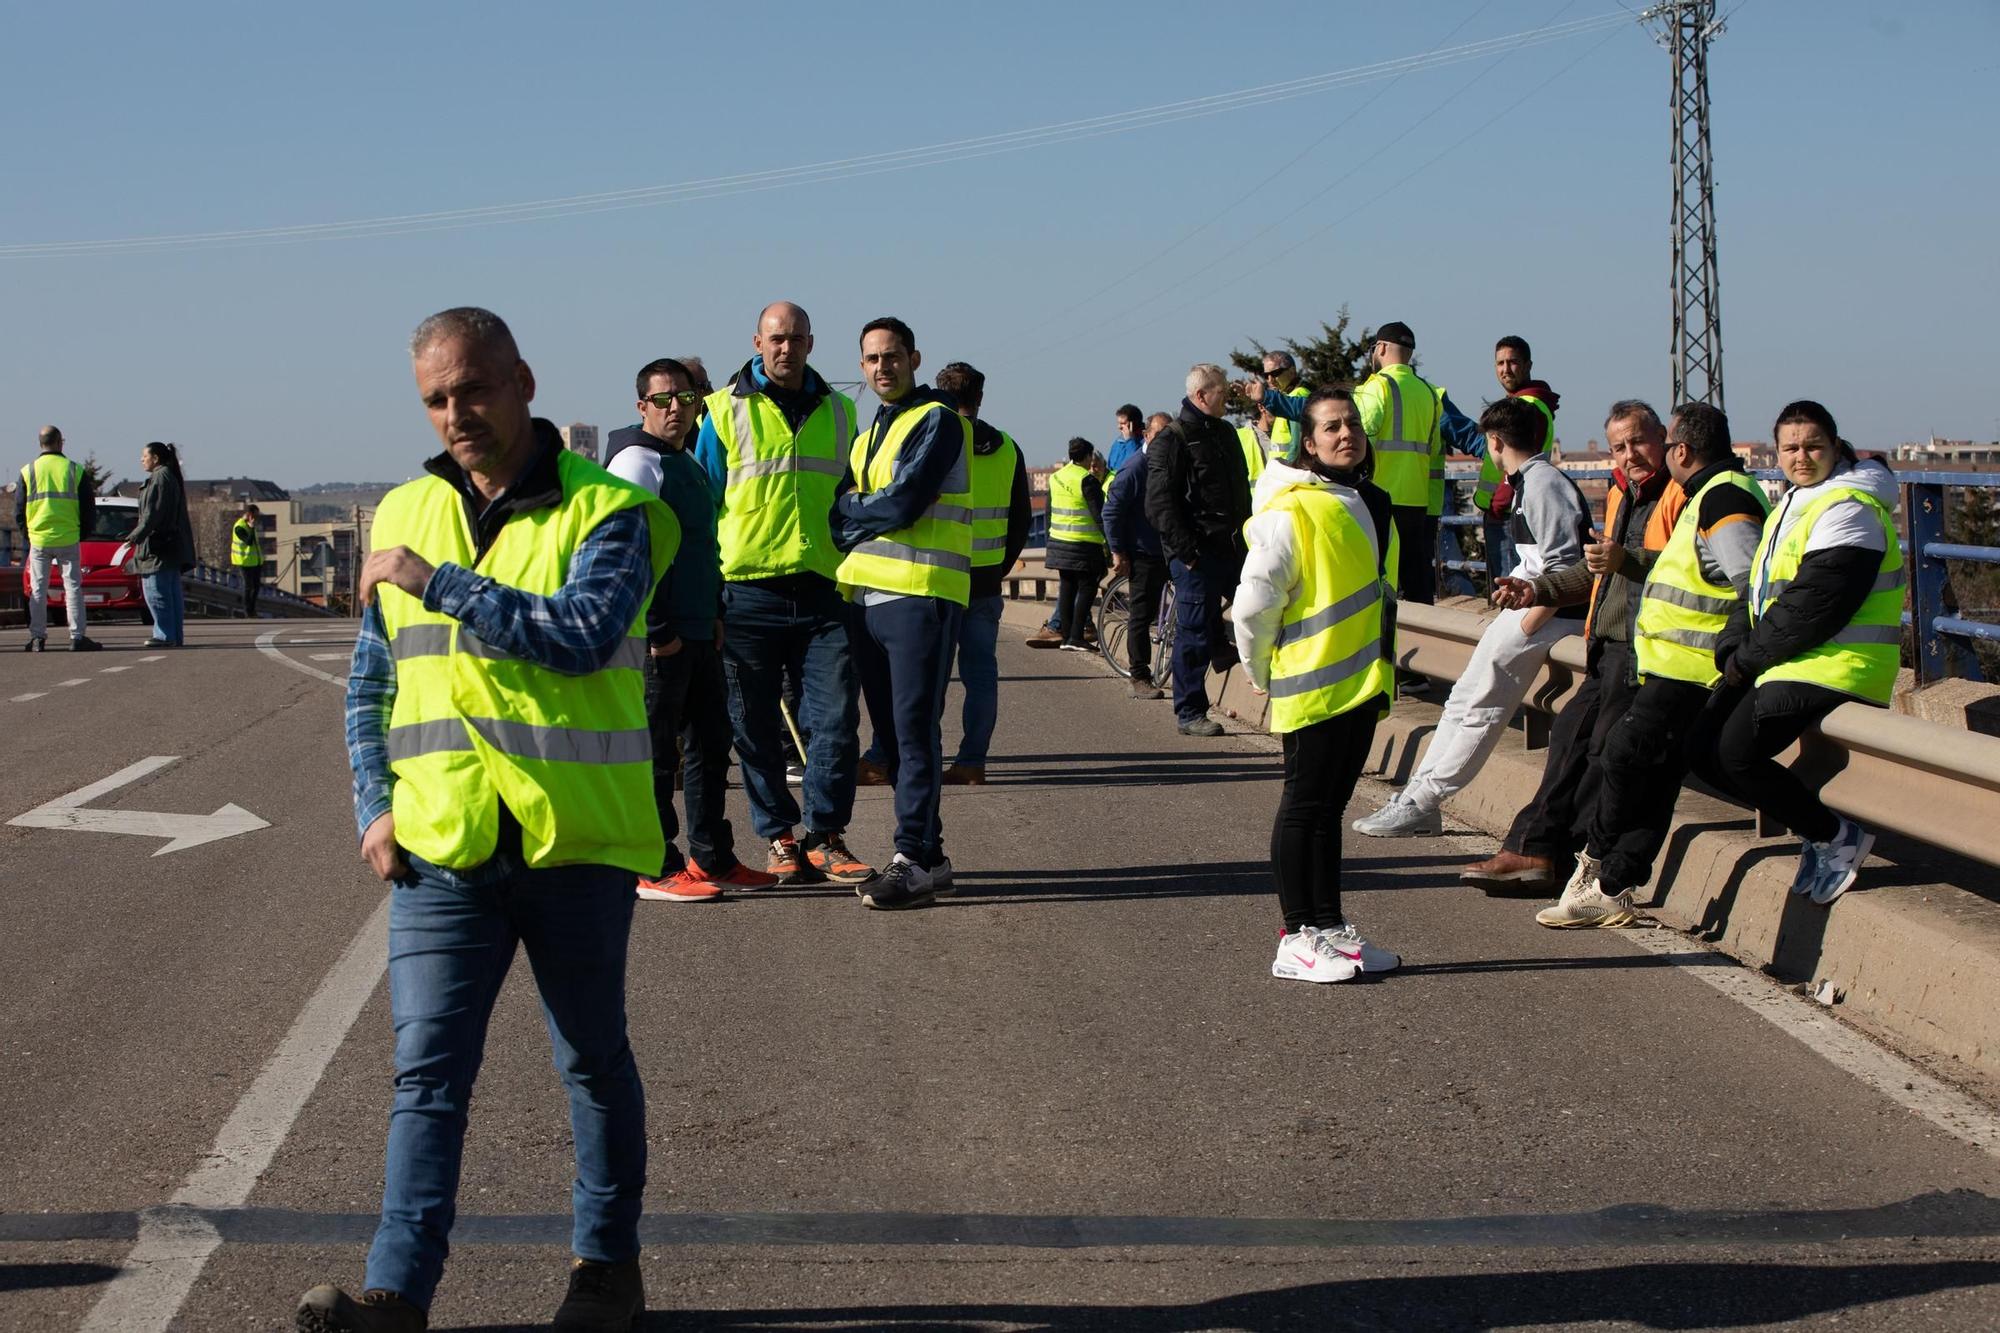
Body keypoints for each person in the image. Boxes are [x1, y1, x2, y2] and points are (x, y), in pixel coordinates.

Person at [302, 308, 675, 1333]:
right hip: (443, 848)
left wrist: (440, 583)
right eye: (434, 398)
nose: (454, 413)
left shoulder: (609, 511)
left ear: (522, 380)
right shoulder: (404, 513)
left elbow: (582, 634)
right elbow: (371, 682)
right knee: (425, 1074)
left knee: (592, 1061)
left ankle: (606, 1270)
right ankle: (396, 1293)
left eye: (471, 389)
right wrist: (375, 805)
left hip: (575, 840)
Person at [1538, 401, 1768, 929]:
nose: (1640, 456)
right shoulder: (1701, 494)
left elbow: (1749, 584)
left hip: (1696, 665)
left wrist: (1735, 653)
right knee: (1654, 772)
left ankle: (1598, 873)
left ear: (1679, 448)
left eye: (1652, 444)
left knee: (1622, 756)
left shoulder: (1723, 496)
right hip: (1672, 662)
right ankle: (1612, 886)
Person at [1459, 401, 1684, 889]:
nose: (1630, 454)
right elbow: (1597, 568)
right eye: (1619, 447)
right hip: (1608, 640)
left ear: (1663, 437)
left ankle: (1564, 859)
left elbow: (1682, 568)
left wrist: (1625, 559)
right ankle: (1534, 851)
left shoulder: (1679, 494)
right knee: (1569, 738)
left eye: (1638, 442)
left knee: (1603, 751)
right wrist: (1536, 590)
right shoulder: (1625, 492)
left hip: (1650, 647)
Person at [1350, 397, 1593, 838]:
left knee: (1482, 707)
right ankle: (1417, 796)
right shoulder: (1530, 482)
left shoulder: (1542, 484)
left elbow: (1564, 567)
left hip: (1545, 617)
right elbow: (1541, 563)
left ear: (1495, 441)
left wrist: (1525, 623)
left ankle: (1424, 801)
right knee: (1462, 701)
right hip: (1530, 610)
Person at [1689, 401, 1901, 906]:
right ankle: (1818, 833)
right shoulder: (1794, 501)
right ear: (1778, 452)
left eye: (1813, 446)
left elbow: (1815, 606)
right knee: (1699, 748)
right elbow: (1760, 588)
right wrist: (1731, 647)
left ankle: (1836, 837)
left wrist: (1748, 661)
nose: (1801, 456)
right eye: (1791, 448)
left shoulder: (1849, 506)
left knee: (1736, 753)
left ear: (1834, 445)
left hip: (1841, 663)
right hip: (1794, 659)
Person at [695, 300, 874, 887]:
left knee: (835, 721)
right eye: (775, 339)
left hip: (824, 590)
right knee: (754, 729)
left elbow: (854, 495)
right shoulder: (722, 412)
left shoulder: (842, 410)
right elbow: (702, 505)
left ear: (811, 344)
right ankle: (779, 837)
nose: (785, 349)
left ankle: (826, 837)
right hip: (746, 594)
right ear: (756, 341)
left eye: (796, 339)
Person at [1235, 388, 1401, 982]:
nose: (1345, 434)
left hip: (1360, 682)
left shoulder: (1370, 502)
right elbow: (1253, 603)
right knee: (1304, 809)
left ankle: (1330, 929)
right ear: (1308, 443)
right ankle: (1295, 935)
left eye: (1352, 424)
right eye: (1330, 427)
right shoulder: (1292, 507)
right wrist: (1260, 671)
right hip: (1310, 683)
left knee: (1329, 811)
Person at [606, 357, 777, 902]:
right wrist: (658, 630)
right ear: (642, 406)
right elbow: (625, 551)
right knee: (655, 754)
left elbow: (703, 549)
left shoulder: (686, 461)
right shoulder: (638, 461)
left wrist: (716, 615)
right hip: (660, 638)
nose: (676, 407)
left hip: (701, 629)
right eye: (663, 399)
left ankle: (712, 857)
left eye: (684, 397)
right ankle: (653, 865)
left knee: (709, 745)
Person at [832, 316, 973, 910]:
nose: (882, 366)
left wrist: (853, 511)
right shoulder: (870, 434)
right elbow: (849, 509)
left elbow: (907, 501)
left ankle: (911, 857)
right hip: (867, 598)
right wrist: (862, 509)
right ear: (862, 368)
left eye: (892, 356)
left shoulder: (936, 420)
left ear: (914, 359)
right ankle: (933, 856)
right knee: (889, 737)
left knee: (915, 732)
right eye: (871, 359)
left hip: (920, 595)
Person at [1146, 363, 1253, 738]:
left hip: (1233, 546)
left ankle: (1224, 652)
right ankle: (1190, 711)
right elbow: (1160, 504)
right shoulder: (1172, 439)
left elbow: (1241, 490)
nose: (1228, 398)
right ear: (1201, 395)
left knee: (1261, 609)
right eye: (1222, 392)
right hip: (1195, 553)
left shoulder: (1225, 433)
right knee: (1192, 630)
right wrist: (1187, 552)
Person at [938, 360, 1031, 784]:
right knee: (981, 677)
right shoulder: (1009, 447)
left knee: (930, 680)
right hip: (986, 580)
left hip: (939, 579)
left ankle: (921, 761)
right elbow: (1020, 521)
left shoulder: (936, 440)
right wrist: (998, 567)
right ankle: (973, 761)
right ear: (980, 397)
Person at [1474, 336, 1562, 585]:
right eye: (1500, 363)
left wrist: (1499, 503)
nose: (1505, 369)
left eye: (1512, 362)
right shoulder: (1525, 403)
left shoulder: (1527, 407)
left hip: (1509, 511)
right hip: (1508, 508)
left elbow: (1519, 460)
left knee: (1509, 593)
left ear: (1527, 365)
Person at [17, 425, 101, 652]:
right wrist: (82, 533)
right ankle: (77, 636)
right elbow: (88, 509)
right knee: (72, 586)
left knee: (38, 589)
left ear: (40, 443)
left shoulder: (28, 471)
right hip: (68, 537)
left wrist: (29, 535)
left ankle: (37, 638)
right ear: (60, 442)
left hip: (39, 539)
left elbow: (19, 510)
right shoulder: (75, 470)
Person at [1103, 412, 1169, 699]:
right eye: (1159, 436)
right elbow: (1111, 511)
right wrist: (1118, 551)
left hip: (1166, 548)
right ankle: (1139, 676)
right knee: (1140, 616)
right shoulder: (1134, 469)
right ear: (1146, 435)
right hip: (1141, 552)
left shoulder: (1166, 464)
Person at [1046, 436, 1109, 653]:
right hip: (1084, 545)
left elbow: (1049, 512)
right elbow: (1100, 515)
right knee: (1087, 588)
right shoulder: (1086, 480)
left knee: (1067, 588)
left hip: (1059, 542)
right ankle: (1076, 636)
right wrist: (1110, 544)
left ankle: (1065, 637)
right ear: (1086, 456)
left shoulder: (1055, 478)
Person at [130, 441, 194, 649]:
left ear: (155, 458)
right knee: (169, 592)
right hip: (169, 545)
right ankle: (173, 635)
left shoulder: (160, 478)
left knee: (157, 592)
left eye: (144, 455)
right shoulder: (168, 476)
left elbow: (152, 515)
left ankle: (165, 635)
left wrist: (134, 537)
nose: (141, 459)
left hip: (158, 547)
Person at [1259, 349, 1310, 464]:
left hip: (1290, 471)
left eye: (1275, 373)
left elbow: (1297, 444)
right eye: (1266, 375)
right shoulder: (1288, 397)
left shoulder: (1298, 395)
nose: (1270, 380)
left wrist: (1289, 468)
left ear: (1292, 371)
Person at [232, 502, 265, 619]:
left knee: (256, 587)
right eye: (255, 515)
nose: (256, 518)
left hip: (255, 562)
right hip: (244, 562)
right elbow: (249, 542)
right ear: (249, 514)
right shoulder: (239, 527)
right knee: (248, 587)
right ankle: (248, 612)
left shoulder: (251, 526)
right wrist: (251, 528)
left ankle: (253, 610)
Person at [1106, 403, 1146, 475]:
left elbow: (1136, 462)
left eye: (1123, 423)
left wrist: (1130, 440)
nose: (1119, 427)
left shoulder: (1145, 441)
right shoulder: (1118, 442)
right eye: (1118, 423)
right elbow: (1110, 466)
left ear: (1133, 424)